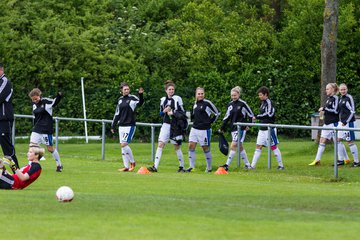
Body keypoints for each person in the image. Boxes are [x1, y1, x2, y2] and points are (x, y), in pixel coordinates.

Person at [147, 80, 187, 173]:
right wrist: (164, 111)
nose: (171, 91)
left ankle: (181, 167)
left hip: (175, 125)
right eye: (169, 89)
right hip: (166, 125)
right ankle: (155, 166)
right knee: (161, 144)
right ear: (166, 90)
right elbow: (161, 113)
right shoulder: (162, 100)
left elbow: (183, 113)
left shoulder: (177, 98)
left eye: (173, 89)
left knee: (176, 146)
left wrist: (173, 112)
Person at [218, 86, 254, 171]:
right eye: (232, 95)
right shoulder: (230, 104)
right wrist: (221, 127)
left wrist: (249, 125)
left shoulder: (243, 104)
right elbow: (227, 117)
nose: (233, 97)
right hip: (233, 128)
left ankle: (227, 165)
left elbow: (251, 115)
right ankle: (248, 165)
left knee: (233, 145)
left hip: (241, 128)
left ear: (239, 94)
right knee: (240, 146)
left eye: (235, 95)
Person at [111, 82, 144, 172]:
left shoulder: (133, 98)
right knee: (123, 147)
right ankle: (126, 167)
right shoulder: (120, 99)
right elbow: (117, 113)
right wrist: (113, 125)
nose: (126, 91)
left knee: (124, 144)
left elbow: (140, 103)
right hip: (121, 126)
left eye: (128, 89)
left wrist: (141, 95)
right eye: (125, 89)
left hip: (130, 125)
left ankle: (132, 162)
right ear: (121, 90)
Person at [28, 88, 63, 172]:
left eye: (36, 99)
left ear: (39, 96)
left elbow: (54, 102)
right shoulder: (34, 105)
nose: (35, 101)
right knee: (32, 147)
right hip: (36, 129)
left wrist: (59, 96)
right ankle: (29, 167)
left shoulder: (46, 101)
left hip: (46, 130)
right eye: (33, 100)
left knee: (50, 149)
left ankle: (59, 165)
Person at [186, 87, 220, 172]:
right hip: (194, 128)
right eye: (199, 94)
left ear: (204, 94)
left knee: (205, 148)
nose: (200, 95)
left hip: (204, 130)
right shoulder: (195, 103)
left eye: (202, 93)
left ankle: (209, 168)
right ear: (196, 95)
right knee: (191, 146)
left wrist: (210, 122)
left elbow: (217, 113)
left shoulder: (207, 103)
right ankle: (191, 167)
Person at [250, 86, 284, 169]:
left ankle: (281, 165)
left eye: (261, 95)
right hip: (262, 128)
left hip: (269, 128)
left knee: (273, 147)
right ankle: (252, 166)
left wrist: (257, 117)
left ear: (266, 94)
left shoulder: (270, 103)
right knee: (258, 146)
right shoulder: (262, 103)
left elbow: (269, 114)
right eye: (259, 95)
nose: (259, 97)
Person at [309, 83, 340, 166]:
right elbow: (327, 110)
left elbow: (336, 111)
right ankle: (317, 160)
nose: (326, 90)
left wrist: (324, 109)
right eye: (326, 89)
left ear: (333, 89)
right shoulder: (328, 99)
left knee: (337, 142)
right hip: (326, 124)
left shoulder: (336, 98)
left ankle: (343, 159)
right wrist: (322, 113)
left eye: (327, 89)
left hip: (334, 124)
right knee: (322, 140)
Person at [0, 63, 19, 169]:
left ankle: (18, 173)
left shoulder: (5, 81)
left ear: (1, 70)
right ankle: (3, 175)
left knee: (7, 149)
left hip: (4, 119)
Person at [337, 83, 359, 167]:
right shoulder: (340, 98)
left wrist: (346, 122)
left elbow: (353, 111)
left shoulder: (349, 98)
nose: (343, 91)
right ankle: (341, 160)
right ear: (339, 90)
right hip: (340, 123)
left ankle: (357, 162)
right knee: (337, 140)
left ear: (347, 89)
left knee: (349, 141)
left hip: (348, 123)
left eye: (344, 89)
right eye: (341, 89)